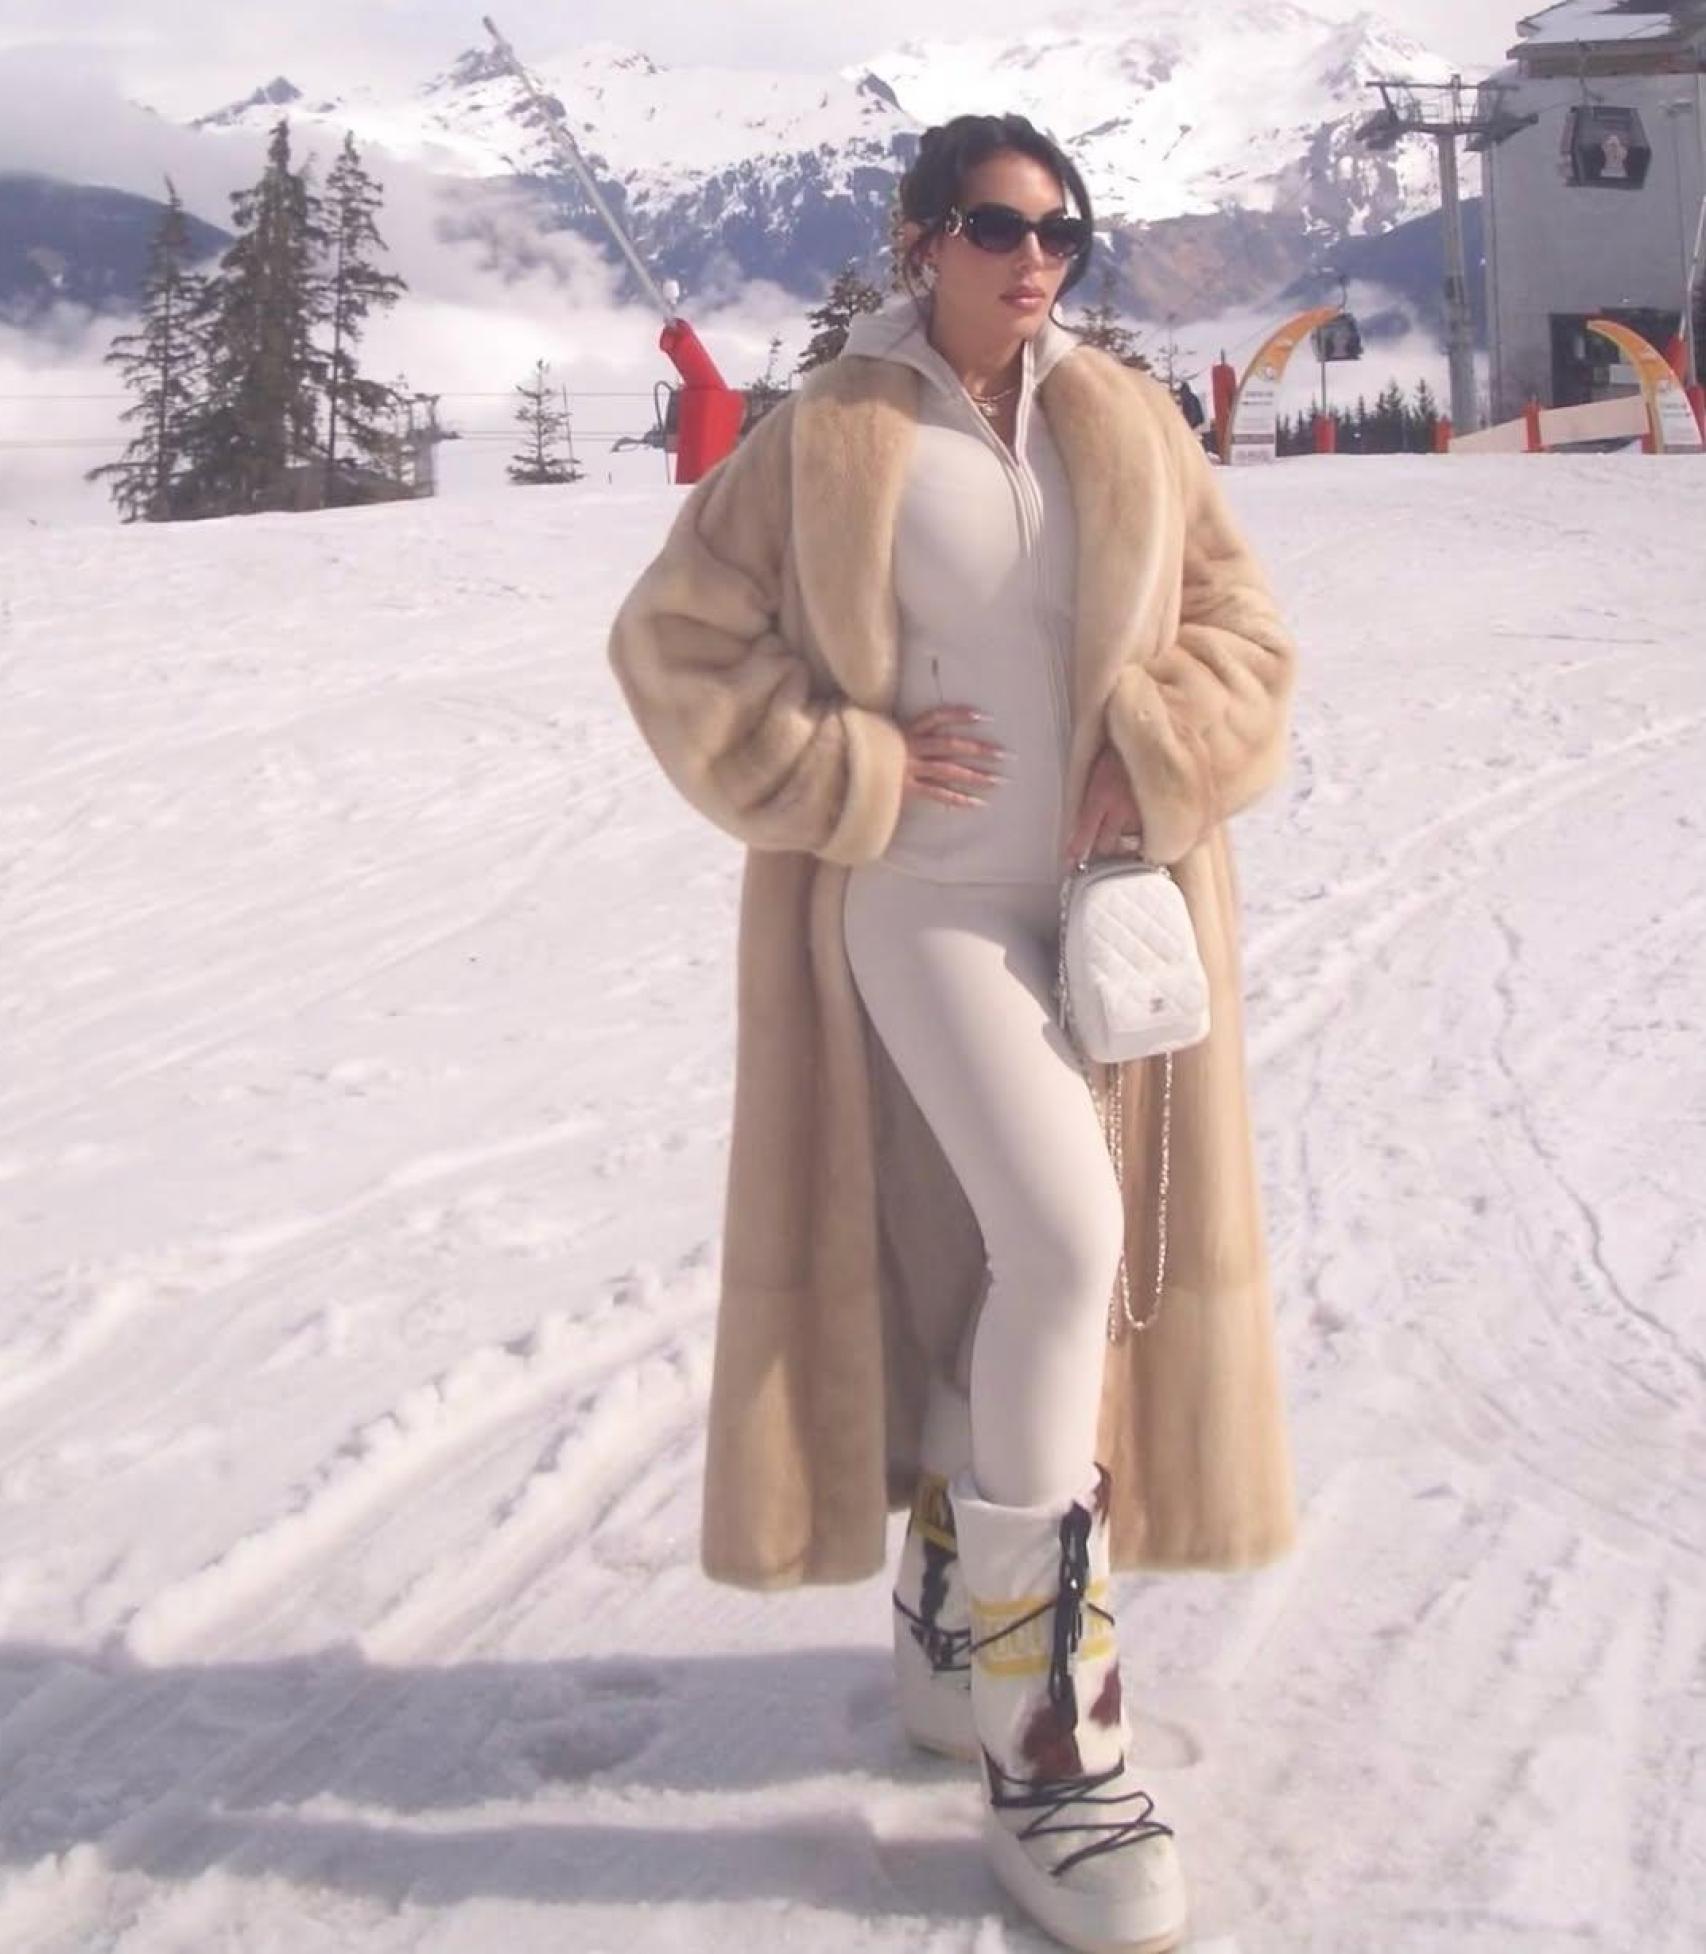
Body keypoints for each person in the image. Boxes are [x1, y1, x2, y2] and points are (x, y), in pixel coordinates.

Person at [608, 111, 1299, 1954]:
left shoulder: (1122, 417)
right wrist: (850, 766)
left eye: (1063, 229)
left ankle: (950, 1614)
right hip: (912, 906)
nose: (1034, 258)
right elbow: (674, 640)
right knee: (1063, 1243)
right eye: (997, 225)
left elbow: (1245, 633)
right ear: (922, 238)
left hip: (1092, 914)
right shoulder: (835, 430)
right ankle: (1048, 1745)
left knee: (982, 1257)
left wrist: (1149, 746)